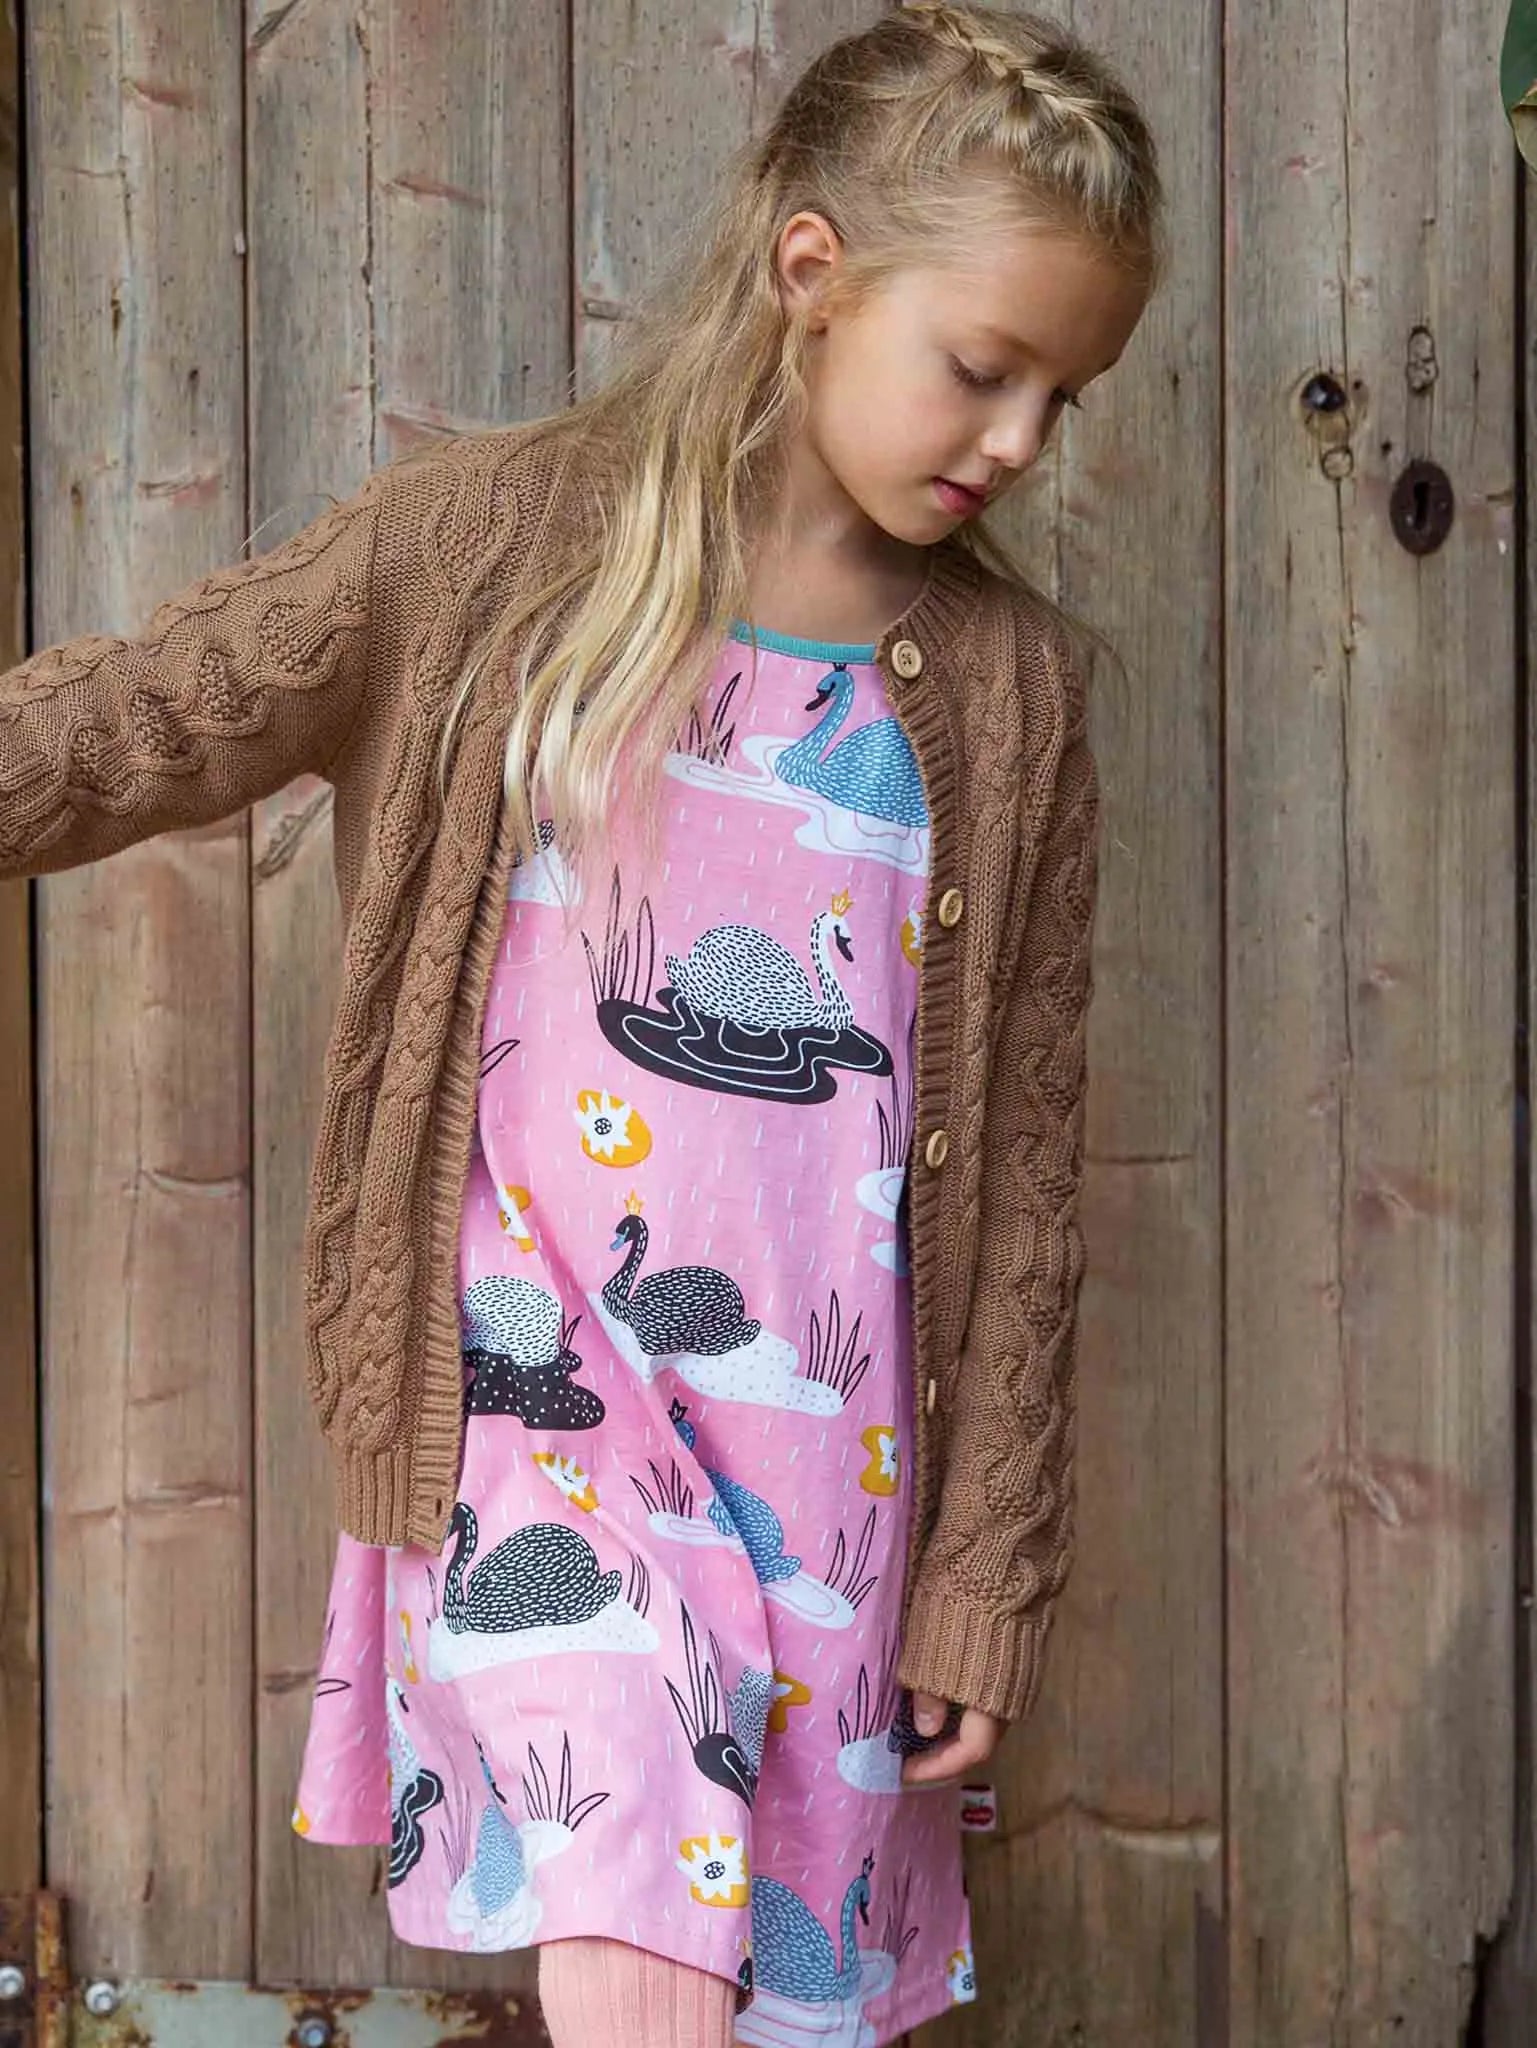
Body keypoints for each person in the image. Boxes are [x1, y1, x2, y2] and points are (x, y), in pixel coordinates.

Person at [0, 4, 1160, 2042]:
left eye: (1061, 397)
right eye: (981, 369)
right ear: (813, 275)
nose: (1015, 442)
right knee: (623, 1876)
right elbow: (139, 719)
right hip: (533, 1415)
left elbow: (1033, 1174)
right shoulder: (488, 556)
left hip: (831, 1469)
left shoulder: (1012, 696)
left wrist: (982, 1566)